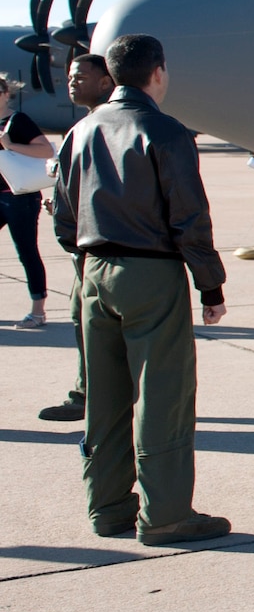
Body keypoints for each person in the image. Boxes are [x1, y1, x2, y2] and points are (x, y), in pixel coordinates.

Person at [53, 33, 231, 546]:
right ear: (158, 72)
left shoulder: (81, 132)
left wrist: (86, 259)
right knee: (162, 395)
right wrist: (210, 284)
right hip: (150, 271)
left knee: (104, 397)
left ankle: (108, 507)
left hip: (93, 270)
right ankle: (167, 513)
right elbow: (189, 216)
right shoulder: (165, 130)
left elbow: (65, 217)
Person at [40, 54, 116, 422]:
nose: (72, 83)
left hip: (101, 250)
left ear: (106, 81)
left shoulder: (107, 126)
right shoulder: (86, 125)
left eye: (80, 77)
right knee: (82, 320)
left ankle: (95, 397)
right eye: (70, 77)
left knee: (94, 324)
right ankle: (89, 394)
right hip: (86, 245)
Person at [0, 74, 56, 327]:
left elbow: (45, 150)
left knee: (26, 252)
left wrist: (10, 145)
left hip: (20, 197)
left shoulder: (17, 121)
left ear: (4, 94)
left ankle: (38, 312)